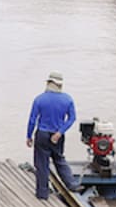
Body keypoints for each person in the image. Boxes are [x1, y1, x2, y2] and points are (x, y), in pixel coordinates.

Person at [24, 71, 79, 200]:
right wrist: (60, 132)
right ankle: (72, 184)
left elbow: (32, 119)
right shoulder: (67, 99)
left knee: (42, 164)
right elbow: (72, 118)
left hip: (42, 134)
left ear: (49, 83)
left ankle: (42, 193)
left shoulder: (39, 99)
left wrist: (29, 136)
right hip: (57, 135)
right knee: (59, 159)